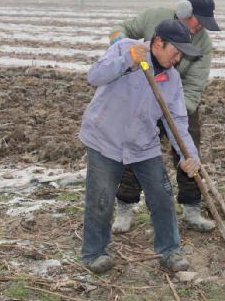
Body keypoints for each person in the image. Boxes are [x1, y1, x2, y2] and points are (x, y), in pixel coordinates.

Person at [79, 19, 202, 274]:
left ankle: (169, 251)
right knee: (101, 198)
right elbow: (94, 76)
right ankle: (94, 253)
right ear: (158, 42)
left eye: (181, 54)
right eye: (175, 51)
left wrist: (188, 156)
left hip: (142, 143)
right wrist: (127, 62)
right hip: (105, 138)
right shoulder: (126, 48)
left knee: (162, 195)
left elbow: (177, 121)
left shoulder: (171, 79)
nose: (178, 59)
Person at [108, 0, 221, 233]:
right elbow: (122, 27)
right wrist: (120, 45)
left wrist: (176, 114)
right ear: (183, 11)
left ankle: (192, 209)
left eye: (204, 23)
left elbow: (194, 86)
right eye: (197, 20)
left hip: (180, 103)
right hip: (144, 96)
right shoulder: (154, 17)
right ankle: (125, 208)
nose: (200, 26)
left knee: (189, 154)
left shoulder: (203, 45)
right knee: (136, 150)